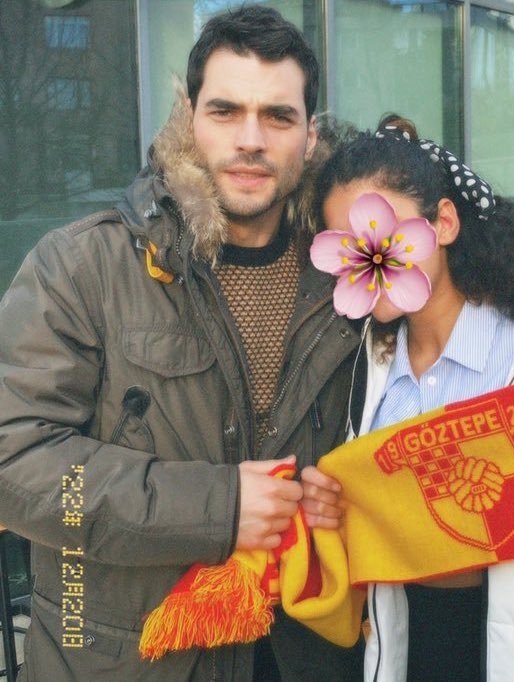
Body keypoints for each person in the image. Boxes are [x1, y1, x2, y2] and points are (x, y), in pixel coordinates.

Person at [0, 7, 363, 682]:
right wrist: (218, 507)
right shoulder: (82, 267)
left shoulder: (352, 276)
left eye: (278, 117)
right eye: (225, 111)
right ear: (189, 117)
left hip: (309, 650)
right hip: (126, 657)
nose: (250, 140)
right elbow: (14, 462)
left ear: (310, 135)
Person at [301, 115, 514, 682]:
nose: (370, 260)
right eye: (349, 248)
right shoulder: (360, 365)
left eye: (382, 235)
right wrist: (332, 511)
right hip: (408, 646)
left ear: (445, 223)